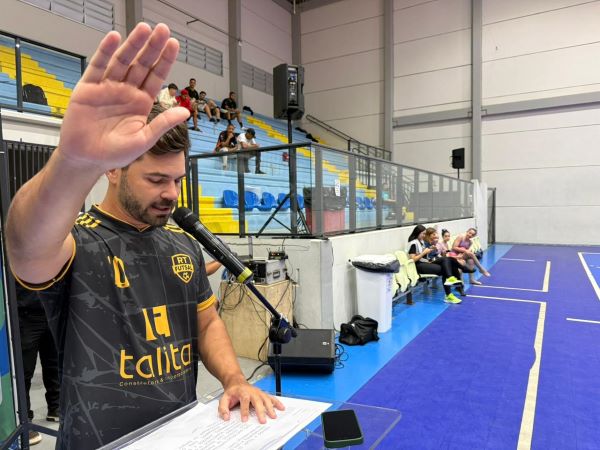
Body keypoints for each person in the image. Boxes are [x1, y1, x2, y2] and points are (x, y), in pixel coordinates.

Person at [5, 23, 283, 450]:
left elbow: (206, 321)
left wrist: (234, 379)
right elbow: (25, 243)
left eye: (177, 179)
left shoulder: (182, 243)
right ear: (113, 170)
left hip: (183, 434)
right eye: (156, 179)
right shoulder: (78, 243)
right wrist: (73, 162)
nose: (171, 193)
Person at [17, 286, 60, 447]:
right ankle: (23, 419)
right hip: (25, 312)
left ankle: (56, 406)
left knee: (54, 362)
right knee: (24, 369)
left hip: (52, 308)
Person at [407, 225, 464, 303]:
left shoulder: (420, 241)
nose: (424, 235)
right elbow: (412, 259)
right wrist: (424, 252)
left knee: (446, 260)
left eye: (425, 234)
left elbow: (422, 254)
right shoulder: (413, 243)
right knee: (446, 269)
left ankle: (451, 287)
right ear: (418, 233)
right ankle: (450, 293)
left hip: (425, 262)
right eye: (423, 234)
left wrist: (430, 249)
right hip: (419, 266)